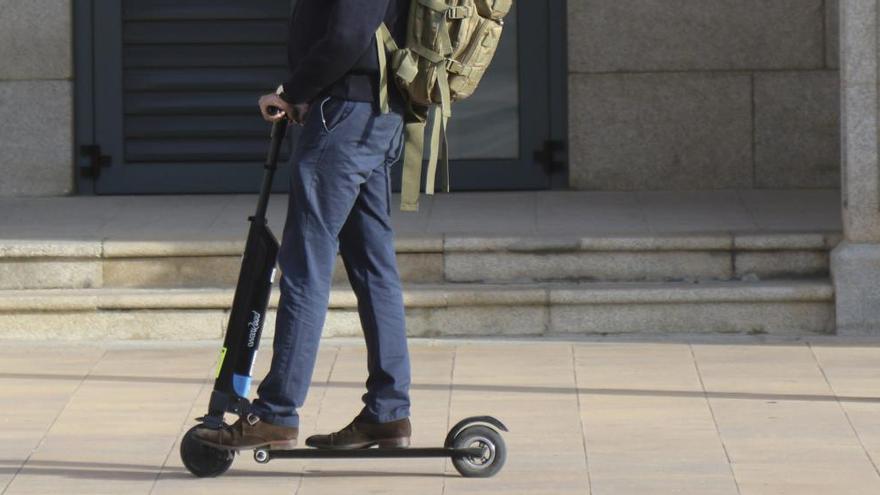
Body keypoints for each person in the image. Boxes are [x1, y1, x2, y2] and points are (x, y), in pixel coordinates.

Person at [196, 0, 412, 451]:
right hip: (369, 114)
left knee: (305, 268)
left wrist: (294, 91)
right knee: (375, 270)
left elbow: (347, 36)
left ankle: (276, 414)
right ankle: (387, 414)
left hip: (346, 120)